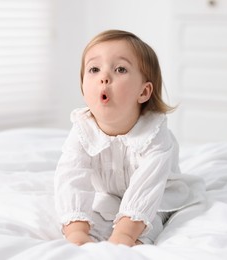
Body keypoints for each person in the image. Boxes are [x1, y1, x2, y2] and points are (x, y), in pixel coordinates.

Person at [54, 29, 203, 246]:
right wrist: (76, 230)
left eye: (120, 69)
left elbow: (147, 187)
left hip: (156, 194)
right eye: (94, 69)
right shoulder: (82, 129)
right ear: (83, 86)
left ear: (143, 92)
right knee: (95, 218)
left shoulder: (154, 134)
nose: (104, 77)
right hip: (109, 193)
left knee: (150, 222)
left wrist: (124, 235)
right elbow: (70, 178)